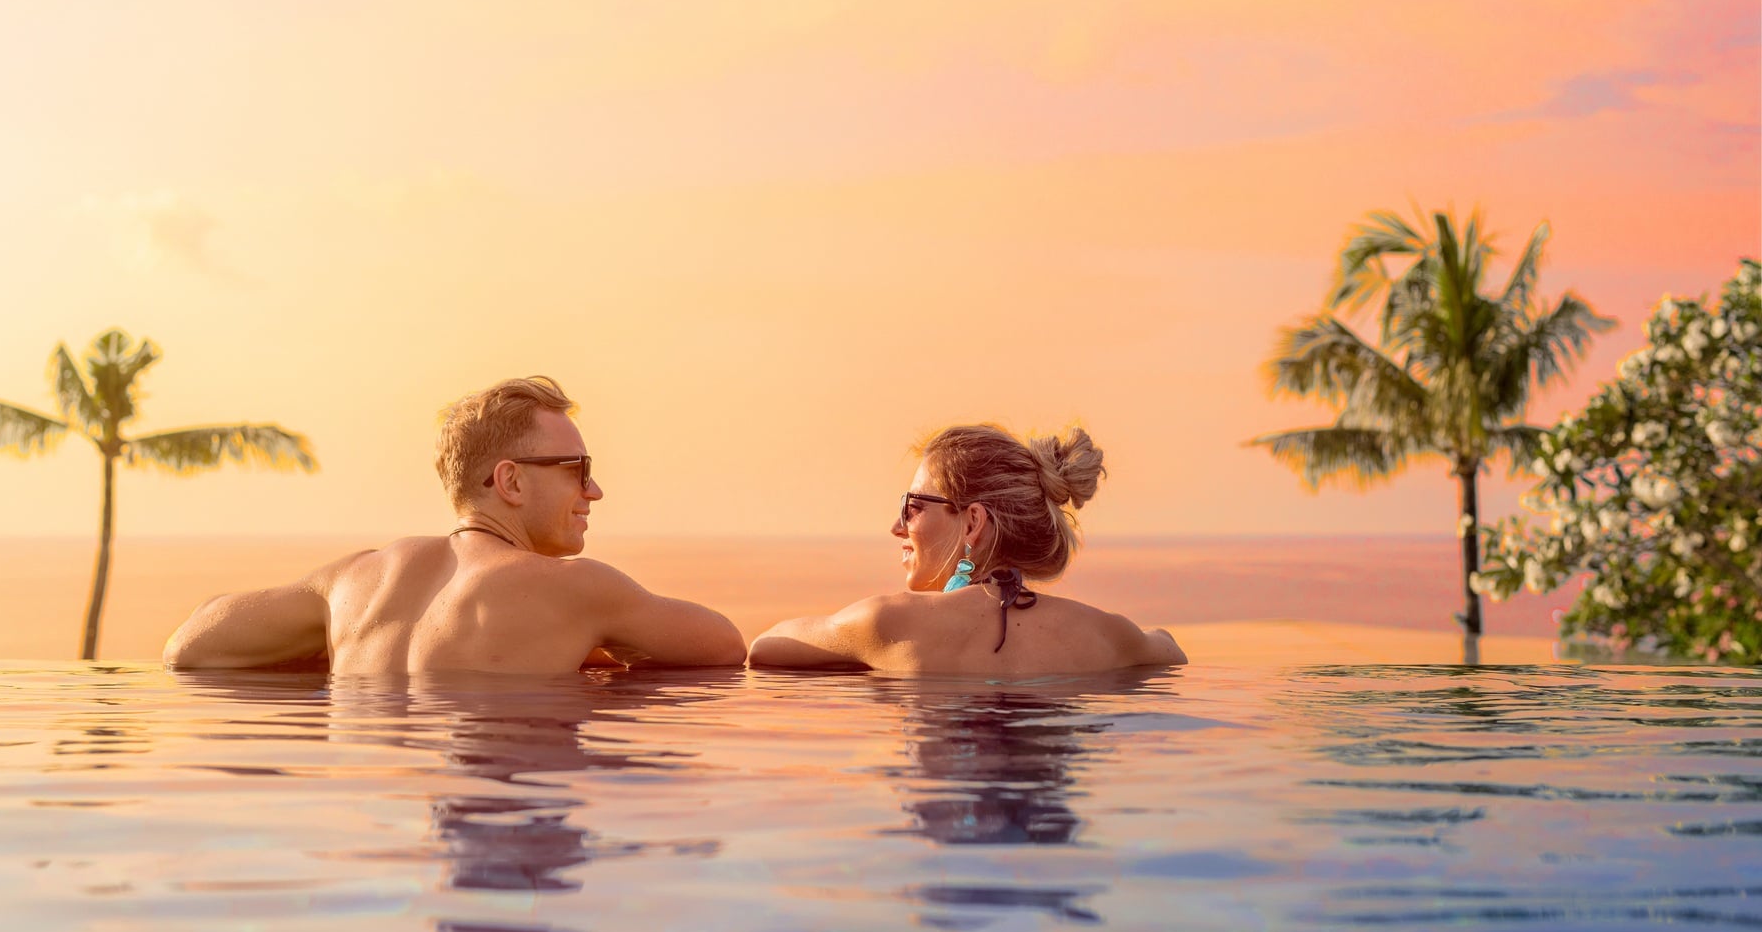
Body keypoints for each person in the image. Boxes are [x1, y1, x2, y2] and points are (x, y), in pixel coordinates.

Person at [163, 376, 746, 674]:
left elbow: (188, 647)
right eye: (577, 469)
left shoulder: (353, 581)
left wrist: (328, 643)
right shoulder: (577, 588)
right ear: (511, 482)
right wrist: (598, 639)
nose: (593, 490)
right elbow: (726, 647)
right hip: (511, 800)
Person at [747, 423, 1185, 675]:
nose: (897, 526)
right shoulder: (1108, 635)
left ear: (973, 521)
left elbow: (764, 648)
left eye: (913, 506)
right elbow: (1168, 649)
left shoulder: (887, 624)